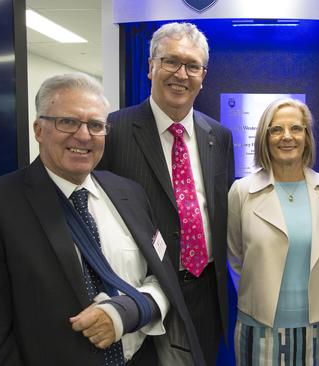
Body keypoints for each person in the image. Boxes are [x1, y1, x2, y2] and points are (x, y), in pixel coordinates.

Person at [0, 73, 204, 366]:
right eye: (68, 122)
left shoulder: (130, 194)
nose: (84, 135)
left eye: (96, 125)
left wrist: (130, 311)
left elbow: (163, 277)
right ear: (39, 130)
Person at [98, 22, 234, 365]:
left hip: (204, 292)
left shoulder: (219, 136)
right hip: (142, 290)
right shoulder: (113, 131)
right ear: (150, 67)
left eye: (192, 66)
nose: (181, 74)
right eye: (171, 61)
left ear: (203, 76)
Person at [227, 98, 319, 365]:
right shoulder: (242, 192)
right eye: (276, 129)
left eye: (296, 128)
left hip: (317, 329)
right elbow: (235, 258)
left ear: (307, 136)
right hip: (258, 328)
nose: (287, 137)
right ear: (264, 138)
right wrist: (259, 301)